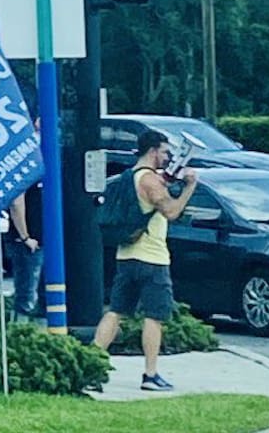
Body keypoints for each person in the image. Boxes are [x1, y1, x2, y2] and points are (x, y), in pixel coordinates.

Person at [94, 129, 198, 392]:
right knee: (155, 316)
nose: (167, 157)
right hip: (152, 258)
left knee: (116, 311)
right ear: (152, 151)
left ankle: (91, 364)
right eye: (164, 152)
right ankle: (150, 374)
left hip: (126, 254)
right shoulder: (150, 181)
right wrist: (189, 188)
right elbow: (172, 212)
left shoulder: (131, 176)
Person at [9, 182, 44, 319]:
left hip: (39, 240)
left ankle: (34, 334)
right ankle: (19, 333)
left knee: (38, 295)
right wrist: (25, 237)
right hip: (29, 242)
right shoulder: (28, 172)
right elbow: (16, 203)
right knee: (27, 296)